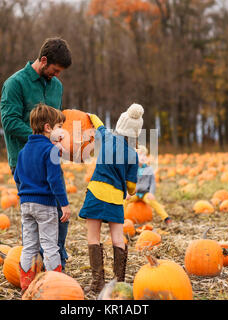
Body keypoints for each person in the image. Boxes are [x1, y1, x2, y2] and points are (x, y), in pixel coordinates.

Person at [0, 37, 72, 270]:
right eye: (55, 70)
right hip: (25, 162)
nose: (57, 75)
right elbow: (9, 122)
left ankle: (54, 261)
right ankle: (39, 268)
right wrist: (42, 138)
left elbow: (57, 122)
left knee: (60, 215)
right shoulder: (15, 84)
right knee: (35, 217)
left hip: (50, 161)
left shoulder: (56, 87)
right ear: (43, 61)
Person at [78, 103, 144, 293]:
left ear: (121, 124)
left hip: (96, 193)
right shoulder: (133, 154)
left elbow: (98, 124)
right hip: (115, 199)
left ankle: (97, 282)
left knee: (93, 236)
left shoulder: (107, 138)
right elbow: (131, 189)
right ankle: (118, 284)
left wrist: (89, 114)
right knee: (117, 238)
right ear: (135, 133)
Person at [14, 104, 72, 293]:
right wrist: (64, 204)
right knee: (49, 245)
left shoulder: (23, 151)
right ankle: (53, 285)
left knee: (29, 246)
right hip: (45, 205)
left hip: (26, 204)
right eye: (58, 127)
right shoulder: (51, 151)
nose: (61, 131)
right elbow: (55, 180)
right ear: (48, 128)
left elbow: (17, 177)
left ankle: (26, 286)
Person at [124, 145, 172, 225]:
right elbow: (128, 182)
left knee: (154, 202)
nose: (143, 157)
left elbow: (152, 182)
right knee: (124, 201)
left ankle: (166, 218)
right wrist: (128, 192)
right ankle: (121, 218)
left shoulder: (149, 169)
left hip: (145, 193)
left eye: (145, 155)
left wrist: (151, 193)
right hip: (134, 193)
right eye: (140, 155)